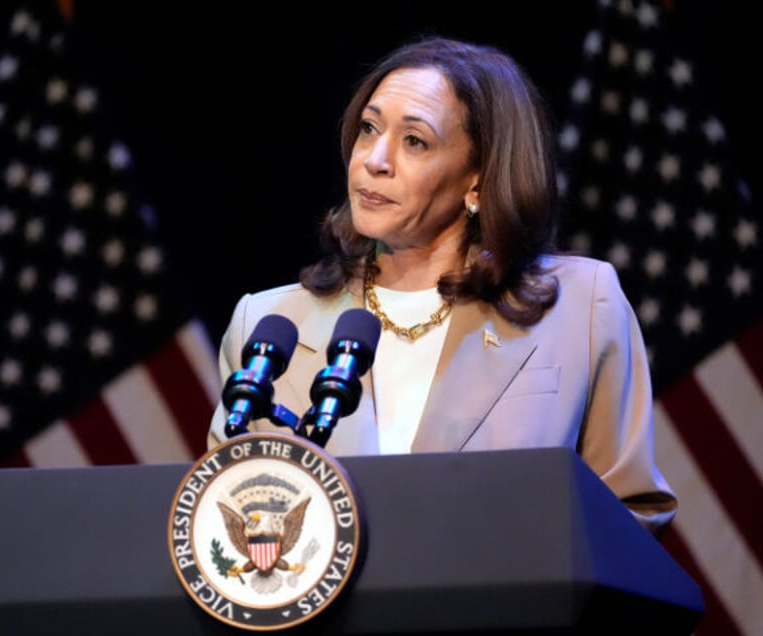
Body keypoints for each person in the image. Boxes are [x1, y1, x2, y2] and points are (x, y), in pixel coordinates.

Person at [206, 36, 677, 535]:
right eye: (368, 129)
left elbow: (633, 516)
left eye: (415, 141)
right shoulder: (266, 324)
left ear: (477, 178)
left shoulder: (580, 306)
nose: (375, 159)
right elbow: (224, 515)